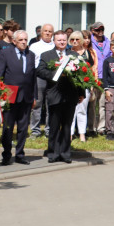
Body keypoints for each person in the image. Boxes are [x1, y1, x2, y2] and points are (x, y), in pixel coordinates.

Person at [37, 31, 81, 164]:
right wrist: (55, 74)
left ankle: (65, 153)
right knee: (54, 126)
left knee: (67, 126)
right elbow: (40, 70)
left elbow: (81, 74)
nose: (61, 42)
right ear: (54, 41)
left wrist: (81, 93)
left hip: (70, 95)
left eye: (63, 40)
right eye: (59, 40)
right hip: (54, 94)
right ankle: (53, 153)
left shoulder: (73, 55)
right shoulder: (47, 55)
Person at [0, 30, 37, 166]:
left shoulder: (31, 55)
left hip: (26, 95)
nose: (24, 42)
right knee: (8, 127)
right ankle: (6, 154)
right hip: (10, 94)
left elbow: (33, 77)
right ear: (14, 41)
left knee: (23, 127)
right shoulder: (5, 53)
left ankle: (20, 154)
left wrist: (34, 96)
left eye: (26, 39)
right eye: (21, 40)